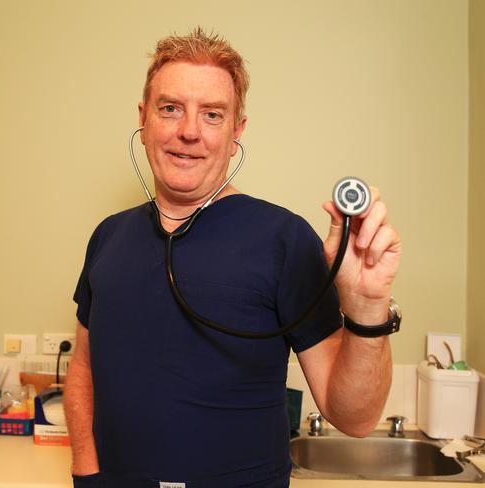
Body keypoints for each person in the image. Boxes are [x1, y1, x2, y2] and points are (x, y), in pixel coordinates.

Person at [64, 28, 401, 488]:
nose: (189, 131)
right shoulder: (108, 237)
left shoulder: (285, 240)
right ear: (144, 119)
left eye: (213, 114)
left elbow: (356, 418)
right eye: (170, 108)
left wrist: (367, 308)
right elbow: (83, 366)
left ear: (237, 129)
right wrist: (85, 469)